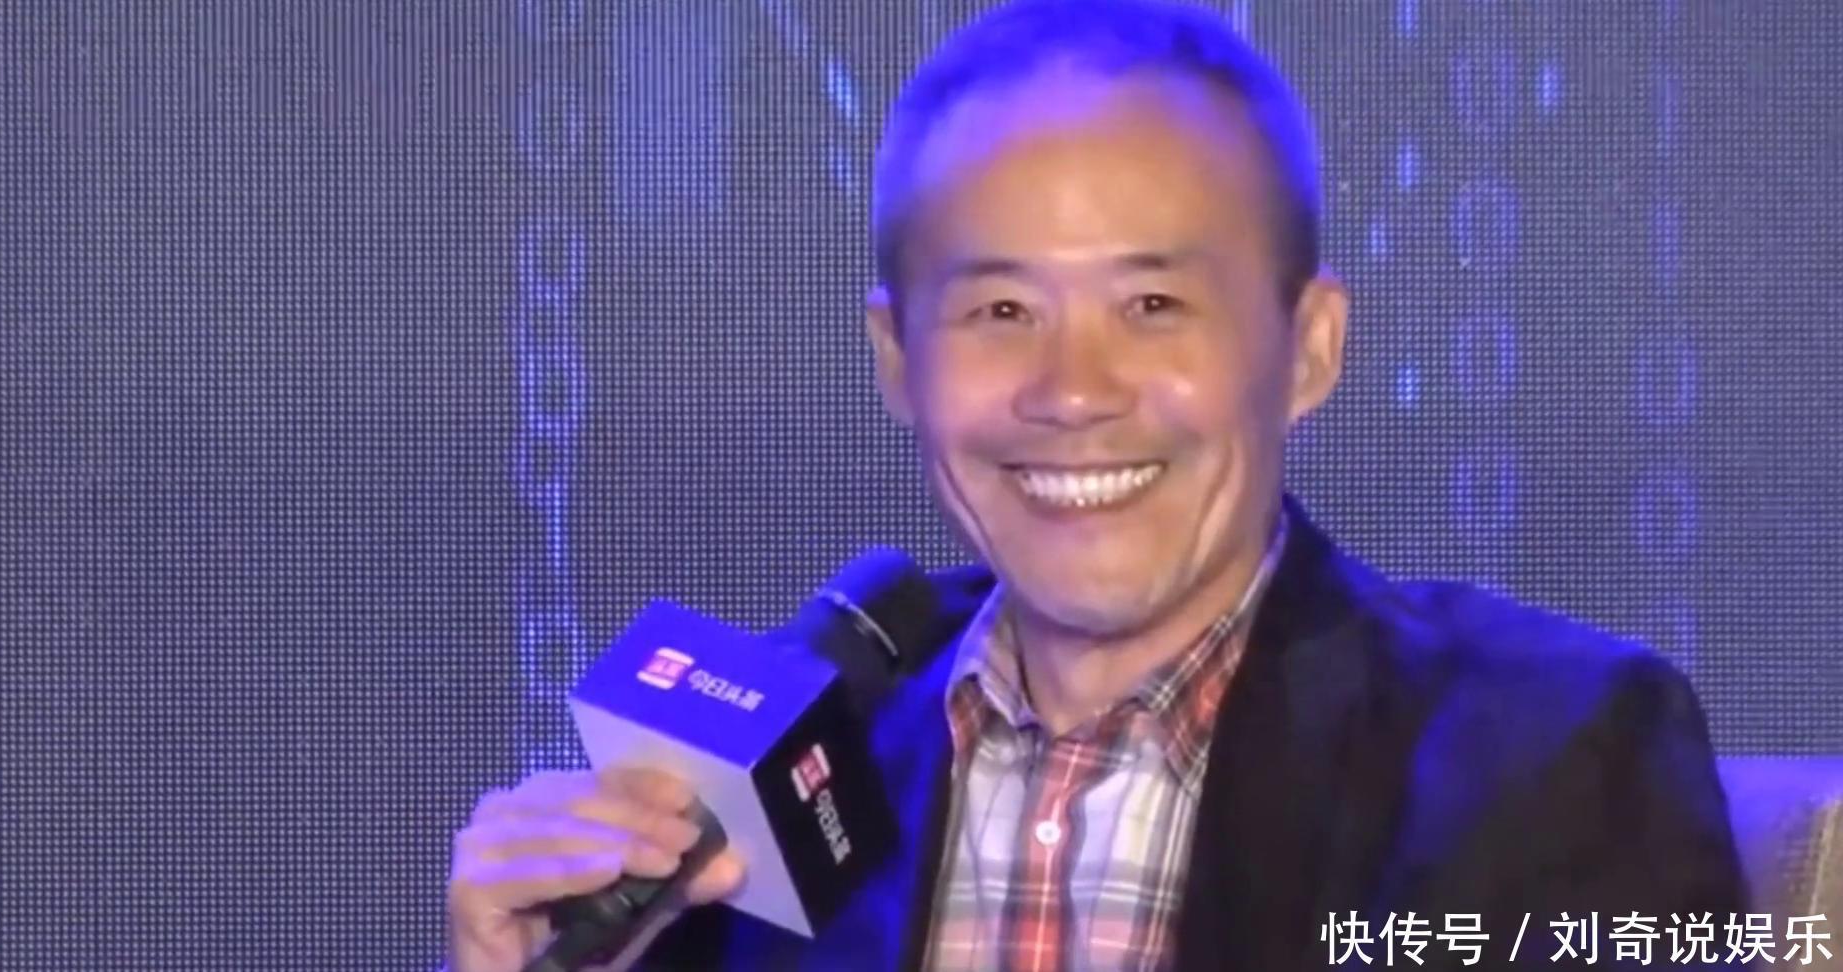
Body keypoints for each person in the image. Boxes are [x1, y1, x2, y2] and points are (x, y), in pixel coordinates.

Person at [445, 1, 1749, 969]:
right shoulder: (752, 823)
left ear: (1308, 348)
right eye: (1002, 310)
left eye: (1153, 305)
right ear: (898, 360)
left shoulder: (1557, 757)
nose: (1073, 391)